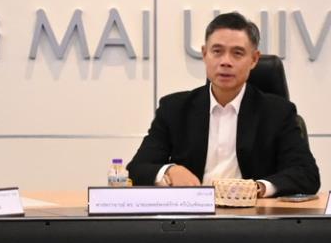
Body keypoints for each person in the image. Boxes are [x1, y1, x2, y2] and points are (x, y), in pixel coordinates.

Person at [127, 11, 320, 198]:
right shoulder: (174, 109)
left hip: (253, 215)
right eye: (217, 51)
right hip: (192, 215)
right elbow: (137, 168)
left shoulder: (277, 112)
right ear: (205, 54)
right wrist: (169, 170)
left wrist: (257, 188)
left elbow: (307, 174)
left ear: (254, 59)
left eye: (237, 53)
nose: (225, 62)